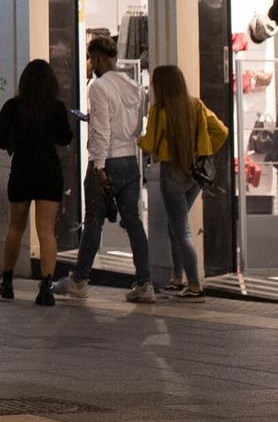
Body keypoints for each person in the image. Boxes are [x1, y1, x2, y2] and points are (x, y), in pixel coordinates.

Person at [55, 35, 154, 302]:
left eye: (90, 59)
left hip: (107, 160)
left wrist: (99, 167)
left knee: (94, 222)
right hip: (130, 159)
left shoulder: (98, 87)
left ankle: (79, 280)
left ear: (97, 58)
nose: (90, 64)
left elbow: (102, 131)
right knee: (133, 221)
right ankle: (145, 283)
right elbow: (133, 126)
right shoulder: (134, 86)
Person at [140, 64, 231, 303]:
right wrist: (204, 150)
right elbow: (221, 131)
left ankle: (194, 284)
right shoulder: (196, 105)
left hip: (172, 173)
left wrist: (135, 138)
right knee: (176, 227)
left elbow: (148, 144)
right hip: (194, 175)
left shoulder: (160, 111)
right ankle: (178, 278)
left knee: (181, 230)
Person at [0, 59, 73, 306]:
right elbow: (65, 138)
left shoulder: (13, 107)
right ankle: (46, 286)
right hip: (49, 171)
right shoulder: (56, 108)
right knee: (46, 230)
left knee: (16, 227)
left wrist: (10, 139)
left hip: (22, 171)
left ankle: (7, 281)